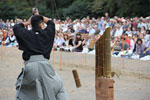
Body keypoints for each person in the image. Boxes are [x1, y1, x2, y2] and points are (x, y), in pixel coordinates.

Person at [13, 11, 68, 100]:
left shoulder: (26, 33)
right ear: (42, 24)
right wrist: (39, 16)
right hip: (46, 67)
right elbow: (51, 23)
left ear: (31, 25)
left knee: (24, 91)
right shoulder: (47, 33)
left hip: (30, 67)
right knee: (58, 87)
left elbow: (16, 27)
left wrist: (28, 22)